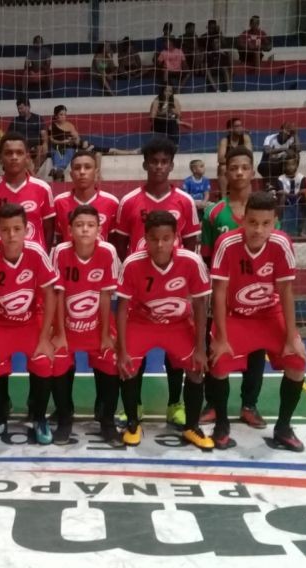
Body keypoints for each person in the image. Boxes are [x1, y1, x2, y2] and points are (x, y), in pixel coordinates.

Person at [208, 191, 306, 452]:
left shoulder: (282, 243)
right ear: (243, 220)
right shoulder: (226, 243)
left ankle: (283, 427)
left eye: (266, 223)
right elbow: (218, 292)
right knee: (218, 362)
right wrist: (220, 337)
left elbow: (286, 291)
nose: (258, 229)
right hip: (236, 316)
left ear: (274, 222)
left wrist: (292, 335)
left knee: (297, 361)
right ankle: (221, 424)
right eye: (253, 222)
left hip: (268, 314)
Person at [112, 138, 200, 428]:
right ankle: (133, 405)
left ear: (172, 165)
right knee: (135, 351)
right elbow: (121, 245)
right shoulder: (129, 201)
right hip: (139, 288)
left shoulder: (185, 201)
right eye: (154, 161)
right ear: (145, 164)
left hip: (173, 289)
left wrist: (185, 289)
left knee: (175, 353)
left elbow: (190, 246)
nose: (159, 166)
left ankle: (175, 403)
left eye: (164, 161)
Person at [116, 210, 211, 448]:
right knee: (127, 367)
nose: (160, 244)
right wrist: (122, 349)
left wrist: (200, 347)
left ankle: (191, 427)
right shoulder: (132, 263)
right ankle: (132, 425)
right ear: (145, 239)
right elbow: (122, 308)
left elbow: (200, 304)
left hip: (178, 324)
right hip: (142, 322)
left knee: (197, 368)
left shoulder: (191, 261)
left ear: (176, 238)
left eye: (166, 238)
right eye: (154, 238)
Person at [0, 202, 58, 444]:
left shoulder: (36, 252)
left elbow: (50, 294)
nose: (11, 235)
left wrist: (44, 337)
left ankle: (39, 417)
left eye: (17, 229)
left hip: (30, 321)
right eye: (6, 229)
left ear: (26, 229)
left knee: (43, 361)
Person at [199, 146, 269, 429]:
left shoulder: (265, 210)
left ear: (252, 171)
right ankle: (214, 403)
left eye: (244, 167)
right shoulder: (215, 213)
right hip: (222, 299)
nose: (239, 172)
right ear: (224, 173)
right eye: (233, 167)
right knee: (216, 350)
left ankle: (249, 405)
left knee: (255, 353)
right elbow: (205, 256)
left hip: (256, 298)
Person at [51, 205, 120, 445]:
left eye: (90, 225)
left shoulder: (108, 252)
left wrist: (104, 334)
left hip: (97, 325)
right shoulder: (60, 252)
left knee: (110, 360)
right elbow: (57, 295)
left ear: (99, 229)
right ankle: (64, 418)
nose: (85, 230)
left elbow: (105, 296)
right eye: (79, 225)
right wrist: (59, 333)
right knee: (58, 359)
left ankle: (106, 420)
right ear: (69, 229)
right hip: (67, 326)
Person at [0, 132, 55, 250]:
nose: (14, 157)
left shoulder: (43, 188)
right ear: (0, 158)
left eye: (19, 153)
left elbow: (49, 230)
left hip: (33, 260)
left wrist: (41, 255)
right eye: (9, 153)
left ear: (27, 157)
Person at [53, 150, 120, 243]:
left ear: (96, 173)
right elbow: (60, 239)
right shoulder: (59, 202)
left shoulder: (111, 203)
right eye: (77, 168)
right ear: (71, 174)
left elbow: (113, 242)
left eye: (87, 167)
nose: (82, 172)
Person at [276, 157, 306, 237]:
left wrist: (300, 193)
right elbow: (280, 191)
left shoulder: (301, 177)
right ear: (284, 166)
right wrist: (289, 194)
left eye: (292, 164)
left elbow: (303, 190)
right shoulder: (281, 178)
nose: (290, 167)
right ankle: (279, 227)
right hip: (286, 199)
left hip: (298, 198)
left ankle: (304, 230)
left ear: (296, 166)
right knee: (282, 198)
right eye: (287, 165)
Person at [8, 97, 48, 169]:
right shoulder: (15, 121)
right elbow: (9, 136)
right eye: (18, 109)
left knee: (41, 149)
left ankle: (34, 172)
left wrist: (45, 143)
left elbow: (44, 134)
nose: (19, 111)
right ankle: (32, 175)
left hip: (36, 147)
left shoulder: (38, 118)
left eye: (21, 108)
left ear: (28, 107)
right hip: (21, 147)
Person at [216, 117, 252, 196]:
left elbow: (249, 155)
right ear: (230, 129)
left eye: (241, 125)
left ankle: (248, 197)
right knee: (222, 168)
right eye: (237, 126)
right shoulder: (225, 140)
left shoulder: (245, 138)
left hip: (241, 164)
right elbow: (220, 159)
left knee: (248, 168)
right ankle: (223, 197)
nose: (240, 128)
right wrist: (235, 161)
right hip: (230, 166)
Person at [48, 105, 80, 181]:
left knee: (68, 151)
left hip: (69, 147)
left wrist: (73, 140)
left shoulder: (70, 125)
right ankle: (59, 169)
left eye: (65, 115)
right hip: (57, 146)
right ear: (56, 116)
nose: (63, 117)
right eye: (61, 114)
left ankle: (57, 169)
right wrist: (62, 142)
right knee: (59, 151)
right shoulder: (51, 127)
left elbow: (77, 138)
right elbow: (51, 140)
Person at [201, 20, 233, 92]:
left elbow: (225, 44)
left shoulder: (218, 36)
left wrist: (219, 32)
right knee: (207, 70)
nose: (212, 29)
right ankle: (216, 89)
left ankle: (229, 88)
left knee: (225, 66)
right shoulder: (204, 36)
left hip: (219, 61)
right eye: (211, 27)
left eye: (214, 27)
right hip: (210, 59)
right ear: (208, 27)